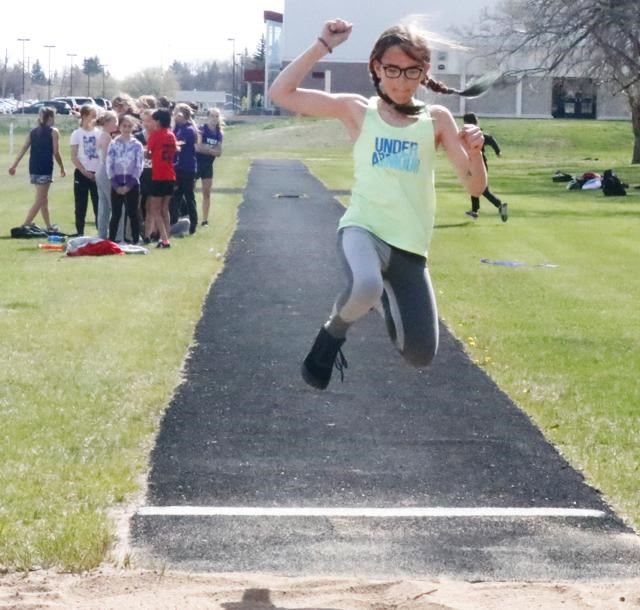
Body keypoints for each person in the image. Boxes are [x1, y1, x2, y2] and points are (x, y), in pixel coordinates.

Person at [269, 19, 487, 390]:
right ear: (376, 68)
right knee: (365, 284)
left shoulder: (436, 119)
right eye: (392, 70)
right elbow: (281, 93)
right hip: (363, 230)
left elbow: (476, 187)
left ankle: (386, 291)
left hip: (410, 246)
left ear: (425, 71)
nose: (401, 82)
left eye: (411, 71)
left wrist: (476, 153)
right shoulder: (358, 110)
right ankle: (330, 337)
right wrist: (324, 43)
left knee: (419, 355)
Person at [8, 106, 65, 231]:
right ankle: (26, 224)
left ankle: (49, 226)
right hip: (45, 167)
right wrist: (61, 166)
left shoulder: (33, 132)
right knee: (40, 199)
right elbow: (56, 152)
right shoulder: (53, 131)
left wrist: (14, 165)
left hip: (33, 167)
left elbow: (24, 149)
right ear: (50, 117)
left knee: (43, 198)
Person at [462, 112, 508, 222]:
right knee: (474, 186)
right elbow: (491, 139)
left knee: (482, 189)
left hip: (478, 164)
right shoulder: (474, 134)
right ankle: (475, 211)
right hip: (476, 164)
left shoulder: (476, 134)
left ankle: (500, 206)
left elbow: (490, 139)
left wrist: (498, 151)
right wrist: (498, 152)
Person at [106, 115, 144, 244]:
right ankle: (111, 240)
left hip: (132, 184)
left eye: (129, 126)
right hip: (117, 182)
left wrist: (129, 184)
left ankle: (135, 240)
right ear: (119, 127)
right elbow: (109, 164)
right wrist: (116, 185)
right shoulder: (113, 143)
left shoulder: (137, 145)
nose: (127, 129)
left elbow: (139, 166)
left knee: (133, 213)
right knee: (116, 214)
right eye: (124, 126)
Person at [146, 108, 177, 249]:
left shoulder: (155, 135)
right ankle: (167, 235)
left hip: (158, 175)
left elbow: (148, 153)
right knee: (165, 208)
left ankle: (164, 240)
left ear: (158, 121)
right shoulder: (171, 135)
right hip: (170, 174)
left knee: (155, 209)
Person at [70, 104, 101, 235]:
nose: (94, 119)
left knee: (98, 205)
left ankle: (101, 231)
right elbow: (73, 156)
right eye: (91, 116)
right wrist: (84, 172)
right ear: (83, 116)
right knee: (81, 205)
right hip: (82, 174)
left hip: (97, 173)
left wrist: (97, 172)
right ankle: (80, 232)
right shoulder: (77, 134)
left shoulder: (99, 133)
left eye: (95, 116)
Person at [171, 103, 200, 234]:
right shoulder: (177, 128)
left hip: (187, 167)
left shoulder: (188, 129)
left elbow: (178, 144)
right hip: (178, 166)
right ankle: (173, 223)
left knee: (189, 196)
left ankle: (193, 223)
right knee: (176, 196)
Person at [195, 107, 224, 227]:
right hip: (197, 163)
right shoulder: (202, 129)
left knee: (206, 194)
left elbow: (219, 152)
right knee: (189, 192)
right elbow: (198, 147)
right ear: (208, 117)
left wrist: (207, 149)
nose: (214, 119)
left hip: (208, 166)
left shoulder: (218, 133)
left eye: (216, 116)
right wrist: (211, 150)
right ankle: (189, 216)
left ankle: (205, 220)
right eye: (212, 116)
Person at [95, 110, 121, 239]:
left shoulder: (103, 135)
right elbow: (107, 158)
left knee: (104, 205)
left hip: (100, 170)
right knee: (115, 204)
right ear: (108, 122)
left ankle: (102, 234)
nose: (117, 124)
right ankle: (118, 235)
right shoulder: (106, 137)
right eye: (115, 122)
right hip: (105, 171)